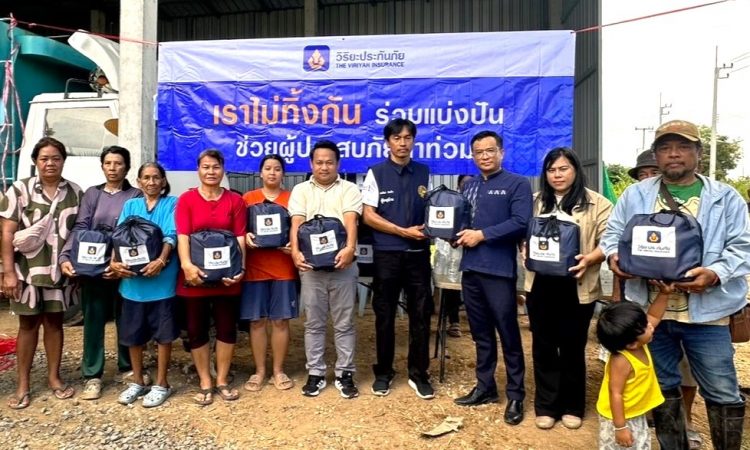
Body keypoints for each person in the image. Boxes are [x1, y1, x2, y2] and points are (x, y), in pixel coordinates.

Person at [601, 119, 750, 449]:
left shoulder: (725, 198)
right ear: (656, 155)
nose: (673, 154)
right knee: (663, 384)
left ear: (698, 153)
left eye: (683, 147)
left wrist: (715, 273)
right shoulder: (636, 194)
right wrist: (614, 257)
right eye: (665, 148)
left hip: (708, 314)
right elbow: (612, 234)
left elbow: (743, 247)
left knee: (721, 389)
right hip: (651, 315)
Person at [524, 147, 613, 430]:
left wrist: (590, 258)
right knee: (544, 346)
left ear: (575, 170)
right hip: (540, 285)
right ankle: (546, 405)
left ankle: (572, 405)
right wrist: (524, 247)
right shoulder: (535, 201)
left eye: (563, 169)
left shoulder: (597, 203)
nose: (557, 175)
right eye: (551, 170)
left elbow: (610, 240)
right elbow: (522, 233)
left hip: (578, 285)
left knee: (573, 346)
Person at [452, 131, 532, 426]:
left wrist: (482, 235)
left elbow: (521, 222)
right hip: (471, 269)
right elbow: (462, 221)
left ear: (501, 152)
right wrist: (452, 234)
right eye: (478, 152)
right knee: (481, 334)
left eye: (490, 150)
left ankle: (516, 395)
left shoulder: (517, 183)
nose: (484, 156)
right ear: (472, 156)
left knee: (508, 334)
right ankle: (485, 387)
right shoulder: (469, 186)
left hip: (499, 271)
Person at [1, 137, 82, 409]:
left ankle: (54, 377)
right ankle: (22, 383)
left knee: (55, 324)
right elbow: (7, 232)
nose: (50, 163)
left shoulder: (74, 192)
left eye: (56, 158)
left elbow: (79, 232)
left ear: (63, 161)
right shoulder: (20, 189)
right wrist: (8, 272)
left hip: (59, 272)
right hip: (26, 272)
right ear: (35, 161)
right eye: (44, 158)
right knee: (27, 326)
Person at [59, 146, 142, 400]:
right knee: (93, 320)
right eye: (108, 163)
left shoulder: (135, 195)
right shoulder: (92, 194)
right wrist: (65, 256)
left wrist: (117, 264)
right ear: (102, 166)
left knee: (126, 318)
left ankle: (128, 368)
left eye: (118, 163)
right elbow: (81, 227)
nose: (113, 168)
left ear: (127, 167)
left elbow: (135, 232)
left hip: (123, 267)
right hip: (93, 266)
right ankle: (92, 375)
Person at [361, 118, 434, 399]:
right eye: (396, 138)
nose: (402, 143)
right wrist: (401, 231)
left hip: (418, 255)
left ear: (413, 140)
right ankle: (384, 373)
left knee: (420, 315)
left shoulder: (424, 172)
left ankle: (419, 373)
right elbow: (368, 215)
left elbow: (433, 212)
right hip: (387, 255)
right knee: (385, 316)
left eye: (407, 138)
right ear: (387, 142)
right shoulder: (376, 173)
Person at [289, 140, 362, 399]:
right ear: (311, 164)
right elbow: (297, 222)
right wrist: (295, 251)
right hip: (311, 269)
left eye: (329, 162)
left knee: (344, 323)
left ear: (337, 164)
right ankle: (316, 373)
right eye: (319, 162)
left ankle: (345, 373)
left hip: (343, 265)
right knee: (313, 323)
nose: (324, 167)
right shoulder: (300, 190)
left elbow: (351, 220)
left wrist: (350, 248)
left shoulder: (349, 189)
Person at [176, 149, 246, 405]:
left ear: (223, 169)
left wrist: (240, 270)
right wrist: (187, 266)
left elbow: (240, 238)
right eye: (206, 167)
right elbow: (182, 236)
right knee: (196, 329)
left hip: (227, 278)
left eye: (215, 167)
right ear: (198, 170)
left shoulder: (235, 201)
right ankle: (205, 381)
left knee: (227, 328)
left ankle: (223, 380)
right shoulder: (186, 200)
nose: (211, 172)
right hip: (195, 277)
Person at [110, 163, 179, 408]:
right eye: (146, 178)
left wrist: (161, 260)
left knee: (163, 336)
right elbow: (118, 237)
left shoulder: (172, 203)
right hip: (133, 284)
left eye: (156, 177)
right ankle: (138, 381)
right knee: (133, 335)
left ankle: (162, 383)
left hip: (162, 281)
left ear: (163, 181)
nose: (151, 182)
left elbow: (171, 234)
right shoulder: (131, 206)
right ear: (139, 182)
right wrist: (114, 262)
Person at [241, 154, 299, 392]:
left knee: (280, 320)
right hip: (255, 268)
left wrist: (294, 245)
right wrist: (245, 236)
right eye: (268, 168)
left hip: (283, 268)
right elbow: (239, 229)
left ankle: (278, 370)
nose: (272, 173)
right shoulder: (248, 199)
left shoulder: (293, 199)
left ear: (283, 173)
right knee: (256, 321)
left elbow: (300, 229)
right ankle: (259, 371)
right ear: (260, 173)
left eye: (277, 169)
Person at [596, 282, 670, 449]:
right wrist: (620, 427)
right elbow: (615, 393)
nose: (650, 325)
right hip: (619, 417)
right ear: (631, 344)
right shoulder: (622, 360)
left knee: (640, 444)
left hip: (635, 412)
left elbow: (654, 316)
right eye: (645, 326)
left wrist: (664, 294)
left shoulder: (637, 340)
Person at [446, 174, 474, 338]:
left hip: (476, 249)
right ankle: (454, 321)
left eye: (471, 183)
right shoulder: (452, 202)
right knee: (452, 285)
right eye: (464, 183)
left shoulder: (481, 202)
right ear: (458, 185)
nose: (467, 186)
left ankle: (475, 322)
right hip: (454, 250)